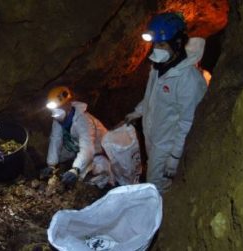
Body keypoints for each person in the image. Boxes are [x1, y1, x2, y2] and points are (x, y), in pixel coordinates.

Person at [125, 12, 207, 193]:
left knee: (155, 186)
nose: (156, 49)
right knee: (155, 180)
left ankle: (161, 215)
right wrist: (138, 111)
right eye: (155, 44)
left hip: (167, 145)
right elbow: (152, 96)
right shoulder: (158, 65)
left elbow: (188, 121)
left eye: (161, 44)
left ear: (177, 43)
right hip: (152, 134)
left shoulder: (188, 80)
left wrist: (175, 156)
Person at [41, 86, 112, 188]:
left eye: (59, 107)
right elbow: (55, 140)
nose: (56, 112)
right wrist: (51, 165)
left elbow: (88, 148)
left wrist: (76, 169)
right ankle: (72, 167)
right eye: (54, 109)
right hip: (78, 145)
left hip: (100, 151)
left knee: (99, 170)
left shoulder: (83, 120)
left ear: (68, 104)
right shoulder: (58, 119)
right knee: (61, 155)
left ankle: (102, 187)